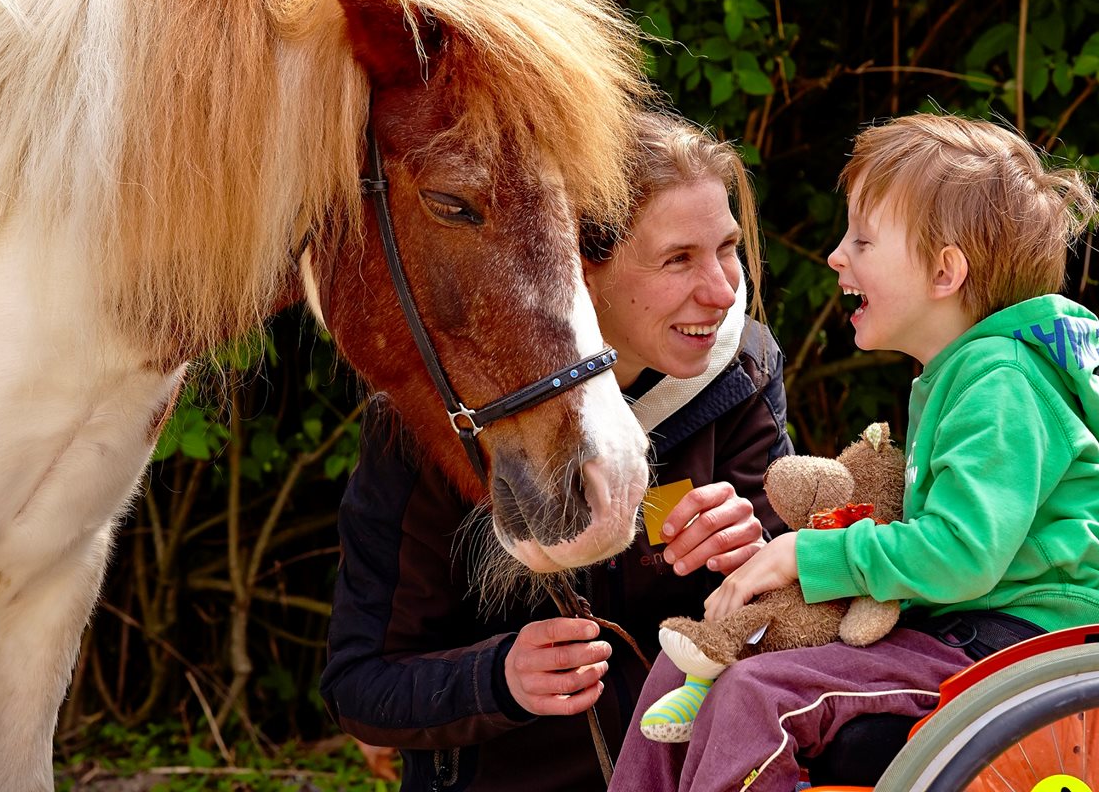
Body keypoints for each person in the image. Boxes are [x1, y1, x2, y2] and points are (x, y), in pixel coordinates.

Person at [609, 113, 1099, 792]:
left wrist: (810, 552)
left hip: (1016, 651)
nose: (836, 256)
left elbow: (962, 554)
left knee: (756, 696)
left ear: (945, 271)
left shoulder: (1001, 384)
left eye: (862, 238)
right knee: (685, 666)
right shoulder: (964, 374)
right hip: (958, 633)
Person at [319, 111, 794, 792]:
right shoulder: (434, 419)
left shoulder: (742, 370)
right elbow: (360, 686)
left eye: (726, 248)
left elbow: (800, 625)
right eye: (678, 259)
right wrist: (496, 679)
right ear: (580, 265)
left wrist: (759, 553)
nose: (722, 291)